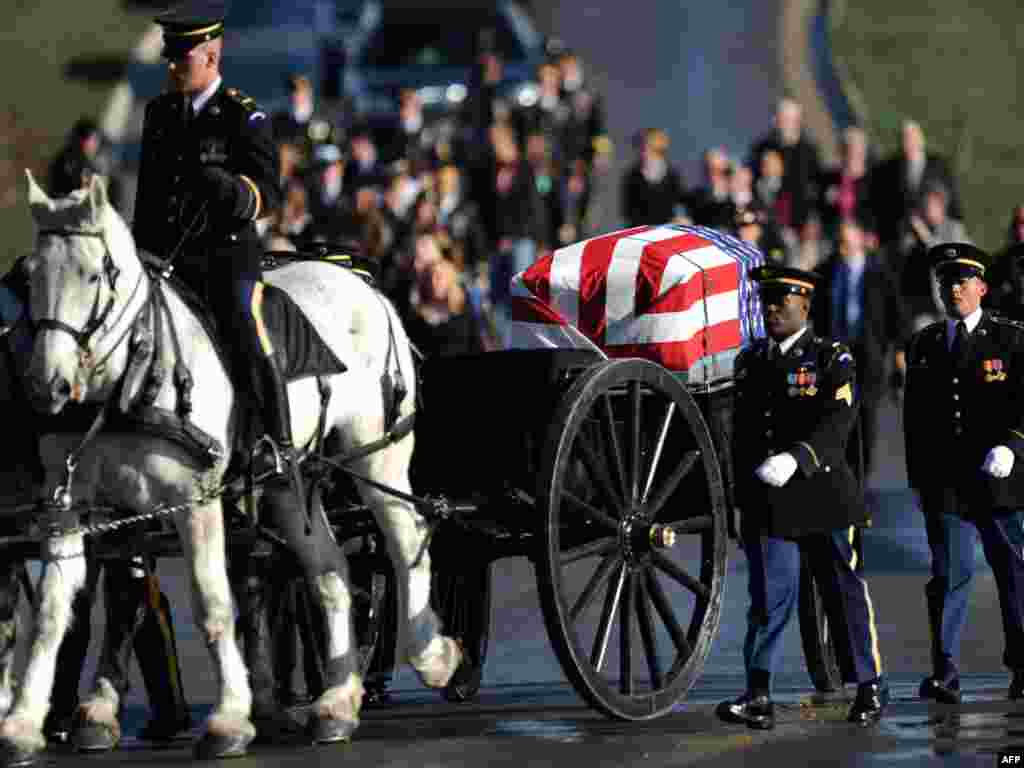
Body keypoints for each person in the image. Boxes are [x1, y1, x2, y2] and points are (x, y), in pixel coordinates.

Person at [718, 264, 886, 730]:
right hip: (771, 501)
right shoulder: (751, 361)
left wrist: (797, 458)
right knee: (769, 600)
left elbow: (838, 422)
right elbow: (742, 438)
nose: (772, 309)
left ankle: (869, 685)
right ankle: (758, 692)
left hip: (823, 494)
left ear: (805, 306)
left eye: (782, 301)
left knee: (843, 595)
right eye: (766, 301)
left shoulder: (832, 357)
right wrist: (740, 501)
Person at [903, 243, 1024, 704]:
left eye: (961, 281)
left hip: (998, 477)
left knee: (1012, 573)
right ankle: (946, 670)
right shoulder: (926, 343)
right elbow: (915, 420)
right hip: (947, 482)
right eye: (945, 282)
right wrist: (919, 480)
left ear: (982, 288)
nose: (953, 289)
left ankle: (1022, 664)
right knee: (949, 573)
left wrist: (1013, 445)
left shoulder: (1010, 339)